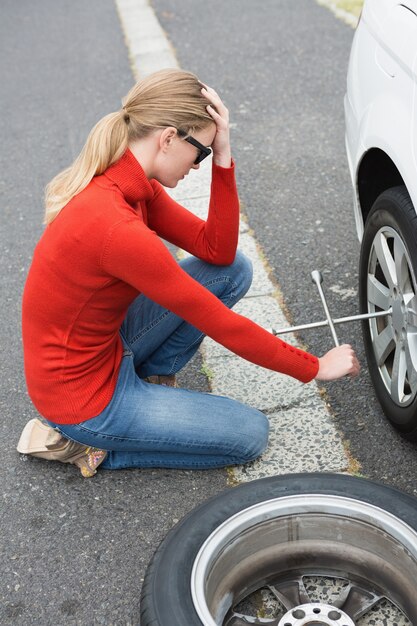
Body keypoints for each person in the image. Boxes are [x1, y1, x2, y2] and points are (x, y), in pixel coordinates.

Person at [17, 69, 360, 478]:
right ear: (167, 138)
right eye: (199, 153)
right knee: (250, 434)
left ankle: (150, 382)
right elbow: (218, 322)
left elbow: (218, 250)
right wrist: (316, 366)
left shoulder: (131, 183)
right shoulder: (114, 226)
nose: (197, 166)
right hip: (85, 399)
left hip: (107, 347)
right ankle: (87, 444)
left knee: (231, 271)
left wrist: (222, 154)